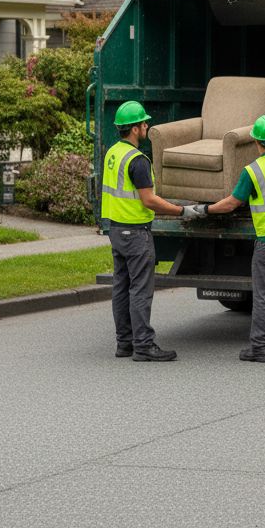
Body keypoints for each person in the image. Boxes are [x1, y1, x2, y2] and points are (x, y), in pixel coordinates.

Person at [190, 114, 265, 364]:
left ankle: (260, 349)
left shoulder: (253, 171)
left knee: (264, 296)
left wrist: (205, 209)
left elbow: (232, 203)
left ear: (256, 143)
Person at [102, 100, 204, 362]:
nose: (147, 126)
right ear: (135, 129)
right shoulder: (138, 161)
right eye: (144, 123)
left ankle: (124, 344)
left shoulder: (113, 153)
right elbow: (148, 200)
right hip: (136, 233)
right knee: (140, 290)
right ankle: (144, 346)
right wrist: (182, 211)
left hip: (116, 229)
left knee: (121, 287)